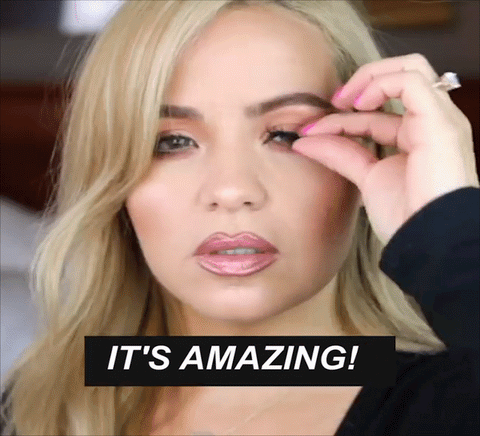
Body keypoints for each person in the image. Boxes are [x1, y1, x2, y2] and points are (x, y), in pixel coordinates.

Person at [1, 0, 478, 435]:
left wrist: (445, 229)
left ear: (370, 151)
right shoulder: (39, 409)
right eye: (172, 142)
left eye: (286, 135)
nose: (232, 190)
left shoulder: (454, 404)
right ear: (114, 182)